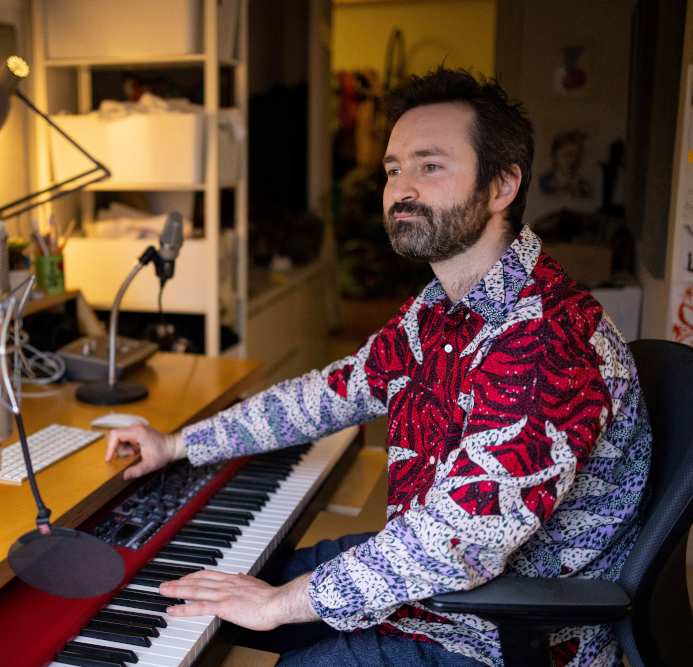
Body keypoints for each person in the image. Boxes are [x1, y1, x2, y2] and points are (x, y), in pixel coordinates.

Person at [106, 67, 651, 667]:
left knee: (275, 628)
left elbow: (461, 539)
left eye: (430, 165)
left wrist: (280, 604)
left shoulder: (546, 338)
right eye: (394, 169)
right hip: (433, 588)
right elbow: (330, 393)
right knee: (211, 587)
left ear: (501, 186)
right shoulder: (444, 308)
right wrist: (177, 443)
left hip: (496, 629)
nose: (401, 189)